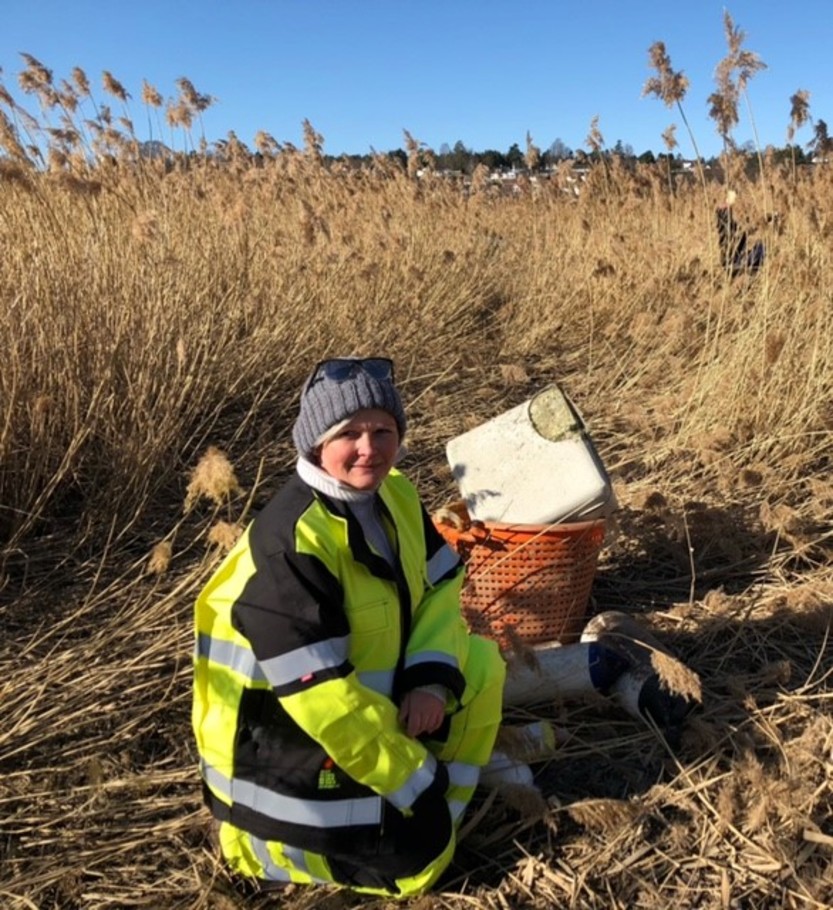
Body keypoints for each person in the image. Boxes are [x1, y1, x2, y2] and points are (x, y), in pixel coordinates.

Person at [192, 356, 507, 898]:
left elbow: (439, 586)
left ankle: (437, 815)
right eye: (349, 433)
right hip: (282, 750)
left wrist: (428, 679)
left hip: (364, 714)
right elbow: (321, 699)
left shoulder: (397, 495)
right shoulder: (293, 542)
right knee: (420, 873)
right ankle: (258, 852)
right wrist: (413, 777)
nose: (370, 448)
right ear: (316, 442)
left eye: (383, 430)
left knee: (479, 665)